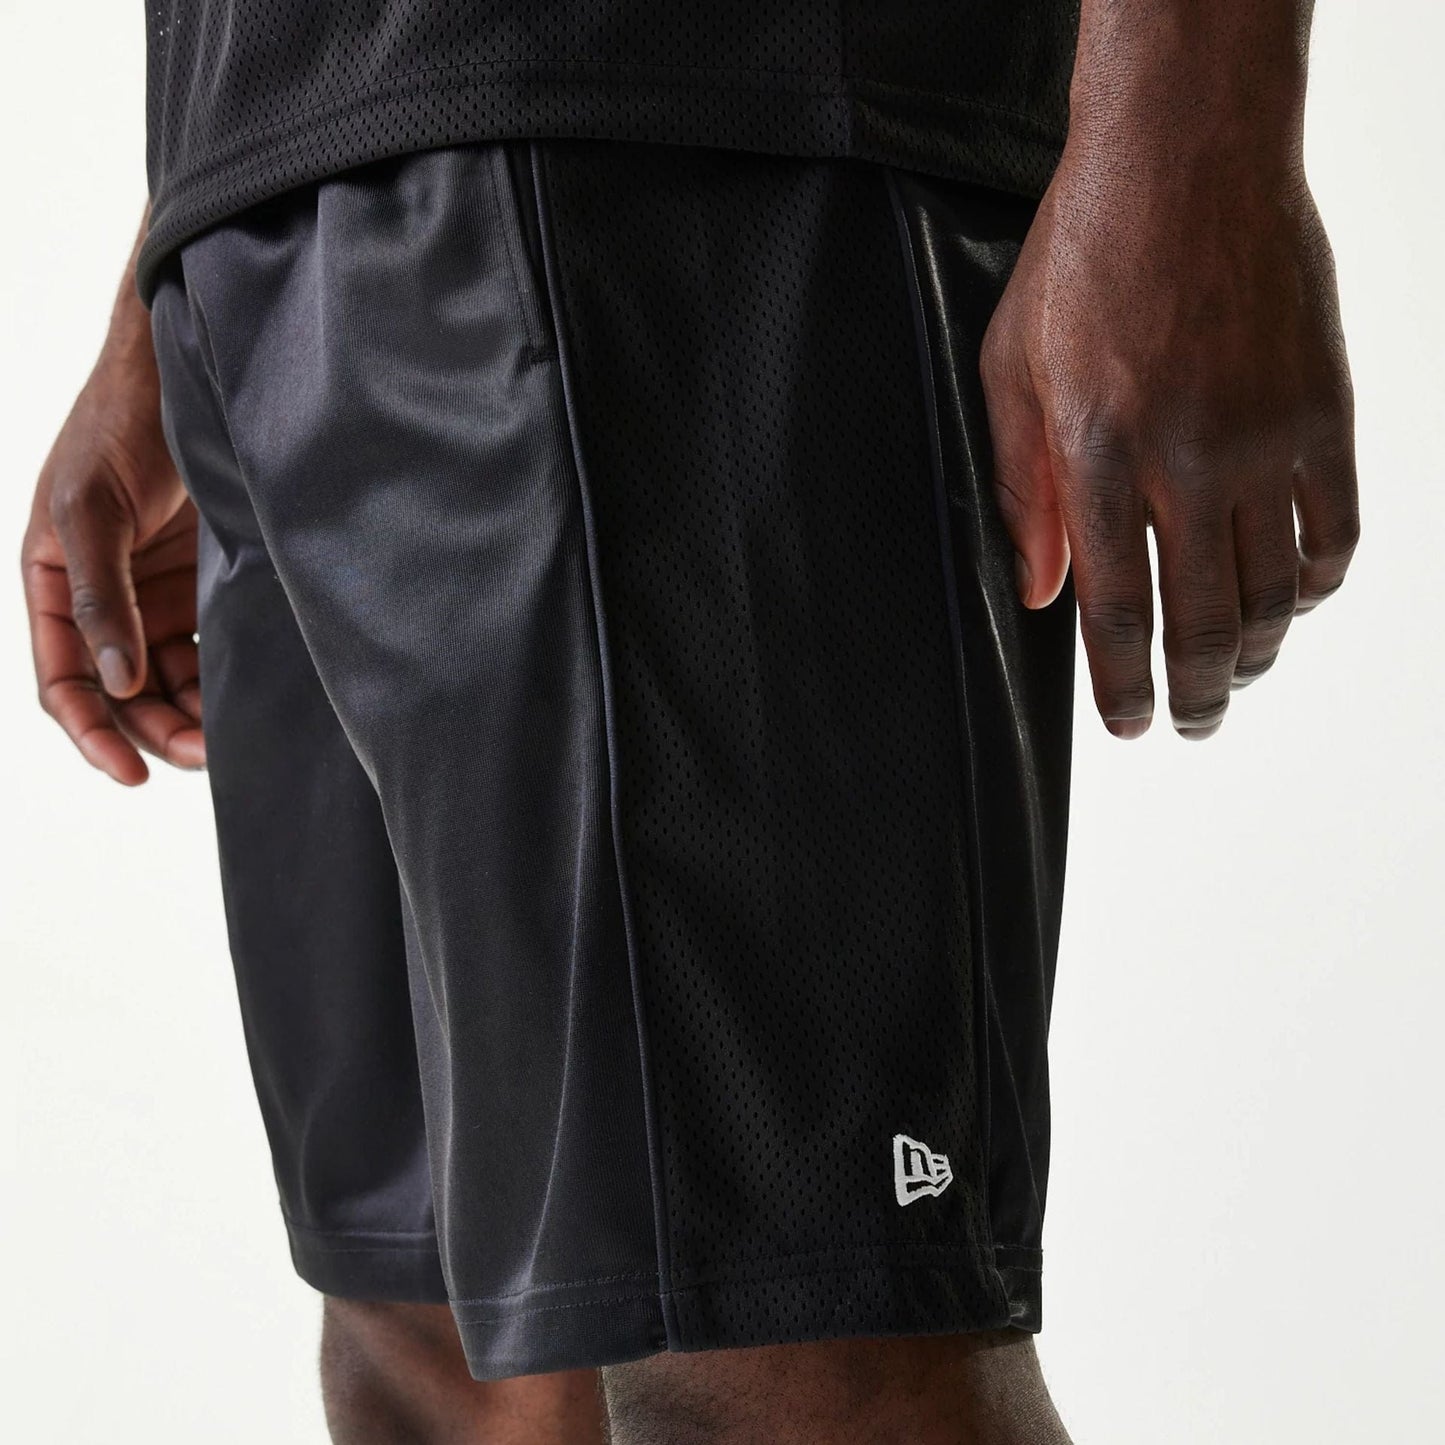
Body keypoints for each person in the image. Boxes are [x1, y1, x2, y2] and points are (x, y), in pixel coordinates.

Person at [20, 1, 1358, 1440]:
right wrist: (171, 270)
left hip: (688, 144)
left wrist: (1198, 137)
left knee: (793, 1340)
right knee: (435, 1339)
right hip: (277, 198)